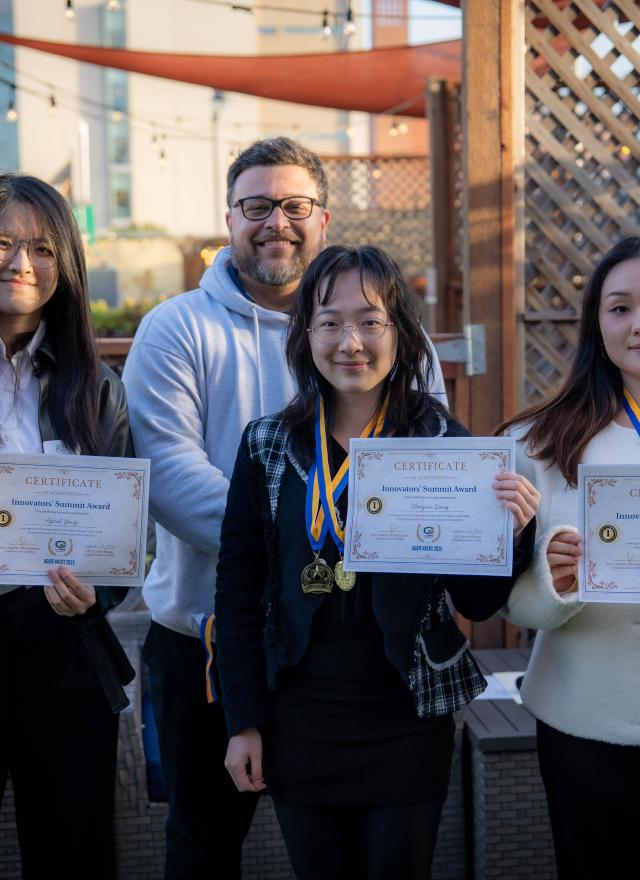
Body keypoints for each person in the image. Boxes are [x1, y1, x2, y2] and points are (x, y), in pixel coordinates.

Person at [122, 137, 448, 879]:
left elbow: (427, 462)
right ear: (229, 219)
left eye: (296, 206)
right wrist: (295, 544)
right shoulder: (177, 327)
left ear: (324, 219)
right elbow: (167, 473)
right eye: (257, 206)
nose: (277, 222)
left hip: (354, 650)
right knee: (203, 843)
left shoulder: (393, 333)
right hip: (210, 635)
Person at [215, 244, 539, 880]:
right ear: (305, 334)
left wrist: (514, 535)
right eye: (330, 322)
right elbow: (238, 592)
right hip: (298, 721)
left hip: (407, 720)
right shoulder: (266, 445)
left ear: (400, 332)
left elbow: (475, 605)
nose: (350, 342)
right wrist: (243, 722)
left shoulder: (442, 444)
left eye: (370, 321)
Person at [0, 173, 134, 880]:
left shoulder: (96, 387)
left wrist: (94, 596)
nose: (21, 262)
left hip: (62, 646)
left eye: (43, 248)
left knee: (72, 854)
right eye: (2, 241)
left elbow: (120, 537)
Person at [499, 236, 640, 880]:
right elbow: (510, 602)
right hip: (583, 717)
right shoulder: (539, 443)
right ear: (596, 325)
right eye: (620, 308)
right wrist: (554, 581)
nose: (636, 325)